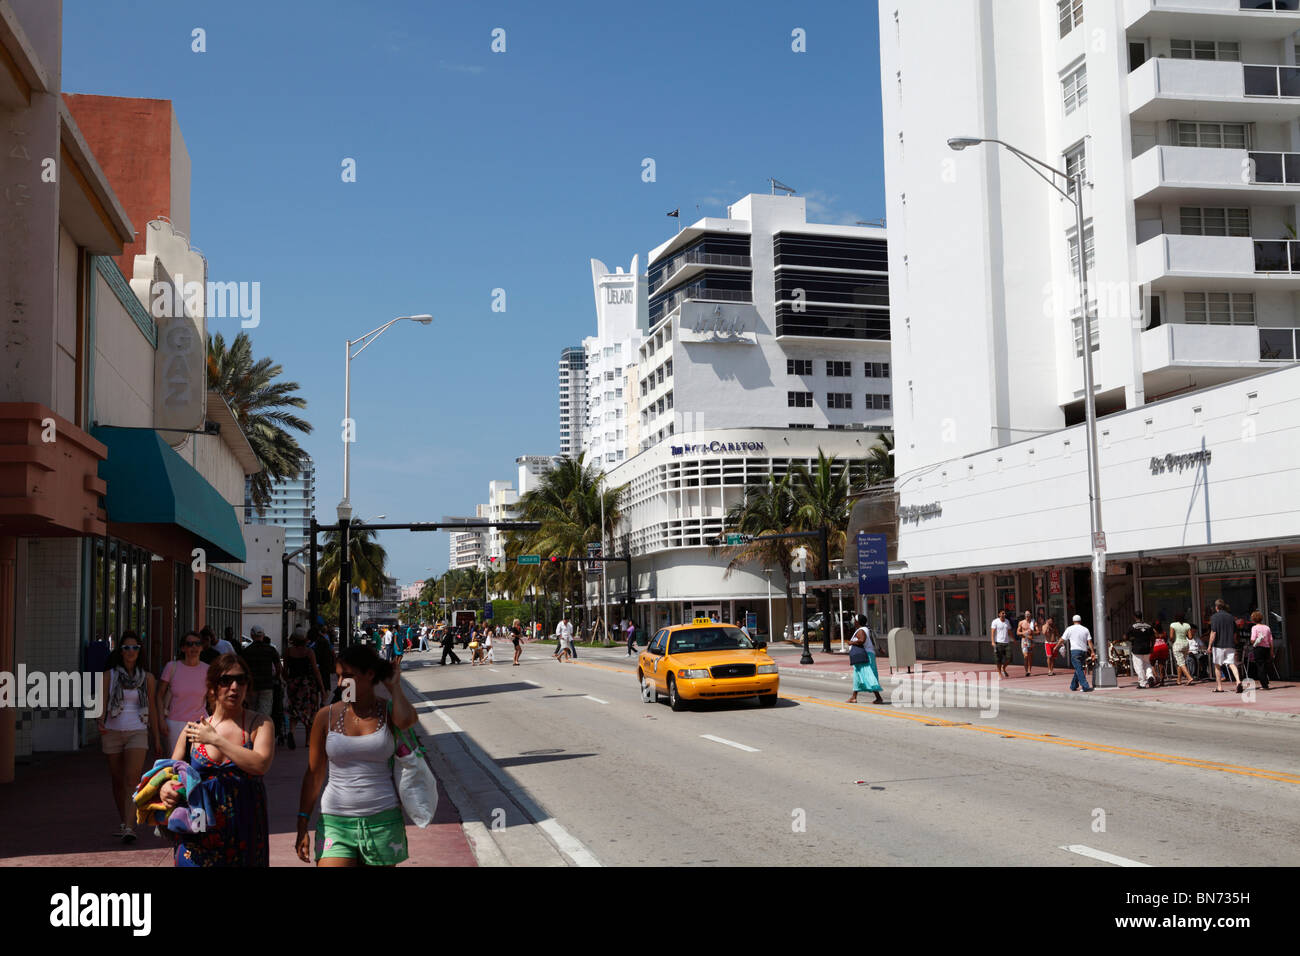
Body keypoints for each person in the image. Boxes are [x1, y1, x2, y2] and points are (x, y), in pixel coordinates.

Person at [296, 645, 418, 867]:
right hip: (335, 820)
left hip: (382, 820)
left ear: (370, 674)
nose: (341, 682)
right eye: (339, 675)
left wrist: (395, 688)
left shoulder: (388, 712)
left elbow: (407, 721)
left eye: (348, 676)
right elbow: (314, 774)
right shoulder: (326, 716)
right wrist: (302, 823)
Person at [161, 653, 274, 866]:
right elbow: (171, 771)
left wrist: (216, 740)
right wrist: (166, 786)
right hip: (199, 832)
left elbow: (260, 764)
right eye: (226, 680)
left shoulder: (260, 724)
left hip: (244, 828)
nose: (234, 687)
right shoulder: (192, 730)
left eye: (241, 680)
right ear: (212, 687)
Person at [99, 630, 162, 843]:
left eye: (135, 647)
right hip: (112, 731)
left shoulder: (148, 678)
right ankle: (123, 820)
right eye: (126, 647)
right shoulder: (110, 675)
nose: (131, 651)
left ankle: (129, 827)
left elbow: (152, 707)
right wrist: (98, 719)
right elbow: (101, 701)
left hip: (138, 731)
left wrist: (157, 738)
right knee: (117, 780)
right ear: (121, 651)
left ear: (140, 650)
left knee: (132, 780)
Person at [159, 631, 208, 754]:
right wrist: (161, 720)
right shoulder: (171, 667)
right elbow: (159, 695)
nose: (194, 647)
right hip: (175, 724)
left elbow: (214, 698)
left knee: (199, 762)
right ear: (183, 648)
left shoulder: (208, 669)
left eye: (197, 644)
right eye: (190, 644)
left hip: (200, 723)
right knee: (176, 763)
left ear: (202, 647)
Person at [283, 627, 325, 749]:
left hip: (293, 683)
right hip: (307, 684)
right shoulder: (309, 652)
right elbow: (316, 671)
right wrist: (322, 688)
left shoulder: (288, 652)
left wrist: (287, 681)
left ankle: (291, 731)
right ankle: (308, 741)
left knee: (294, 710)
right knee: (309, 711)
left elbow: (285, 670)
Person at [240, 625, 282, 716]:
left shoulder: (247, 651)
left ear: (252, 635)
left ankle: (253, 729)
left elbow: (242, 669)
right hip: (267, 685)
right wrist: (276, 678)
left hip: (252, 685)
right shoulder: (271, 649)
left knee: (251, 711)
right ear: (263, 635)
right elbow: (278, 667)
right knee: (265, 713)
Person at [846, 614, 885, 705]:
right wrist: (879, 648)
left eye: (854, 620)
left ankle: (878, 698)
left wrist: (851, 642)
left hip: (864, 656)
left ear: (857, 622)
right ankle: (854, 697)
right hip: (868, 655)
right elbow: (873, 641)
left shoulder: (861, 630)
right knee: (858, 676)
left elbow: (862, 640)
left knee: (868, 676)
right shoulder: (867, 630)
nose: (853, 621)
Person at [1208, 599, 1242, 694]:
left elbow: (1213, 632)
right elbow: (1235, 632)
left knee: (1217, 665)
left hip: (1218, 645)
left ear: (1216, 607)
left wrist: (1210, 645)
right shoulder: (1231, 617)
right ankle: (1238, 681)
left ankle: (1219, 687)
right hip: (1230, 644)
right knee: (1232, 664)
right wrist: (1234, 641)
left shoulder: (1214, 617)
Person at [1061, 614, 1095, 693]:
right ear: (1080, 621)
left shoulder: (1069, 629)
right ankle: (1073, 686)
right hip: (1083, 651)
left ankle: (1085, 686)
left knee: (1079, 669)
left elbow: (1062, 639)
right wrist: (1092, 652)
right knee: (1078, 668)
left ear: (1073, 621)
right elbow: (1089, 641)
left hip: (1075, 651)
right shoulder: (1085, 629)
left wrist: (1056, 647)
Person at [1127, 611, 1156, 689]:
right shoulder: (1148, 626)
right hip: (1147, 648)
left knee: (1138, 666)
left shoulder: (1133, 626)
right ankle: (1150, 676)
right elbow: (1153, 637)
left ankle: (1142, 683)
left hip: (1137, 649)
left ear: (1135, 617)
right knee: (1147, 664)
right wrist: (1152, 646)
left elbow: (1126, 637)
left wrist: (1131, 639)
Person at [1249, 610, 1273, 691]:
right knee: (1265, 666)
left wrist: (1254, 641)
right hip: (1267, 648)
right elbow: (1271, 640)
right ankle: (1266, 682)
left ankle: (1264, 684)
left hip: (1258, 649)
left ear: (1253, 619)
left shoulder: (1254, 628)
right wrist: (1271, 650)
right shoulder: (1267, 627)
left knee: (1260, 666)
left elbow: (1252, 640)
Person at [1169, 611, 1195, 686]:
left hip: (1177, 644)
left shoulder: (1173, 624)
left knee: (1181, 663)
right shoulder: (1187, 625)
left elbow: (1171, 637)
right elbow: (1190, 637)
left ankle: (1189, 678)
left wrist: (1173, 641)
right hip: (1186, 644)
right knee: (1181, 662)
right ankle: (1179, 680)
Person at [312, 627, 336, 698]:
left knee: (317, 688)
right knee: (326, 686)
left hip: (319, 666)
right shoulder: (325, 640)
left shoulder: (313, 644)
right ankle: (323, 700)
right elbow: (332, 652)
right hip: (325, 667)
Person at [990, 609, 1013, 679]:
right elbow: (992, 633)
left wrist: (1013, 639)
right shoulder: (995, 621)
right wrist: (993, 641)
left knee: (1010, 657)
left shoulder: (1007, 621)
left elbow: (1009, 631)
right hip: (998, 643)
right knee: (998, 659)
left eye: (1005, 613)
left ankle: (1004, 667)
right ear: (999, 614)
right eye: (1003, 613)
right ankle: (999, 674)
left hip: (1006, 642)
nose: (1004, 614)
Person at [1016, 610, 1037, 677]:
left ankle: (1029, 670)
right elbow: (1017, 632)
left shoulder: (1033, 622)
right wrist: (1024, 633)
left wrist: (1032, 632)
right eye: (1026, 614)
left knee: (1030, 656)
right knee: (1026, 656)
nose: (1027, 615)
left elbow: (1038, 632)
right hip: (1024, 640)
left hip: (1031, 641)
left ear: (1030, 615)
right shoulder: (1021, 622)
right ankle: (1026, 671)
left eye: (1028, 614)